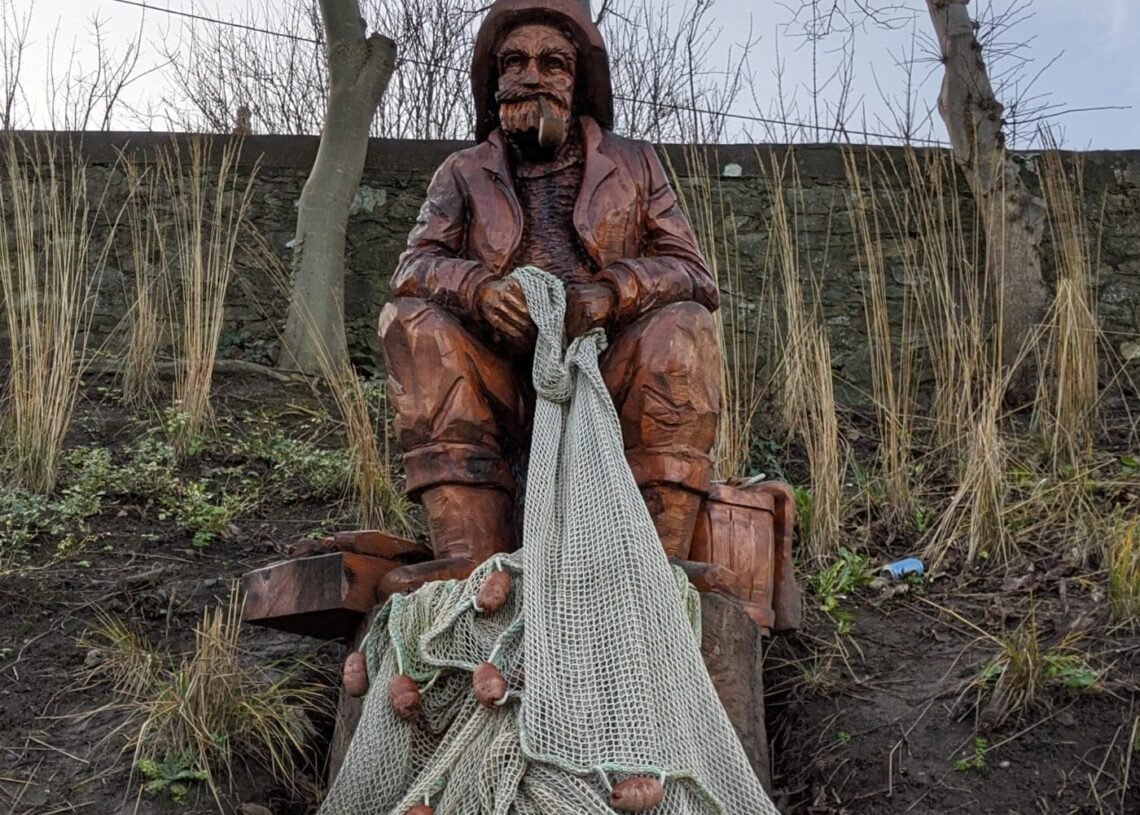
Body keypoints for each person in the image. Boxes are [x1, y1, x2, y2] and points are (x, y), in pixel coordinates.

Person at [379, 0, 721, 592]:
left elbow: (692, 272)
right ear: (493, 81)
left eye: (553, 63)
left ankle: (654, 562)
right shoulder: (462, 171)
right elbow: (414, 266)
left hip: (607, 367)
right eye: (513, 61)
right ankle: (472, 563)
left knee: (683, 327)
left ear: (579, 81)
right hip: (502, 378)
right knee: (411, 325)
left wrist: (613, 293)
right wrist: (480, 290)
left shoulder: (634, 164)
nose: (532, 75)